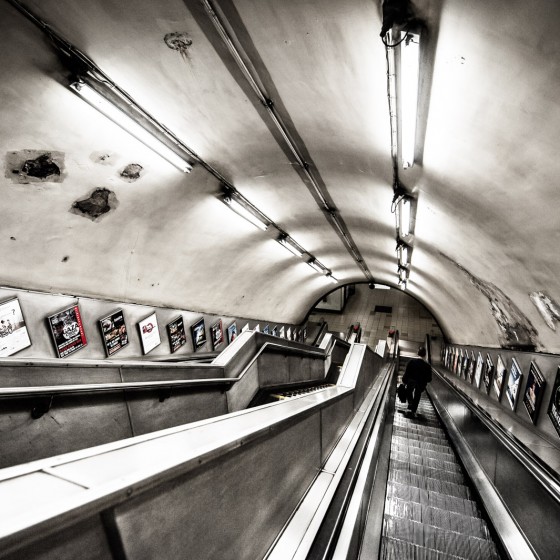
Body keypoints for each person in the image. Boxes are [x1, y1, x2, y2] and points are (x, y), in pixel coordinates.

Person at [402, 346, 432, 417]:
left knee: (409, 390)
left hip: (411, 382)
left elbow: (407, 373)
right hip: (420, 384)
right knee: (417, 395)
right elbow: (429, 379)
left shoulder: (411, 362)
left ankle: (410, 402)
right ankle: (414, 410)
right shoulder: (427, 366)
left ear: (417, 353)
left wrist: (404, 381)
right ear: (425, 355)